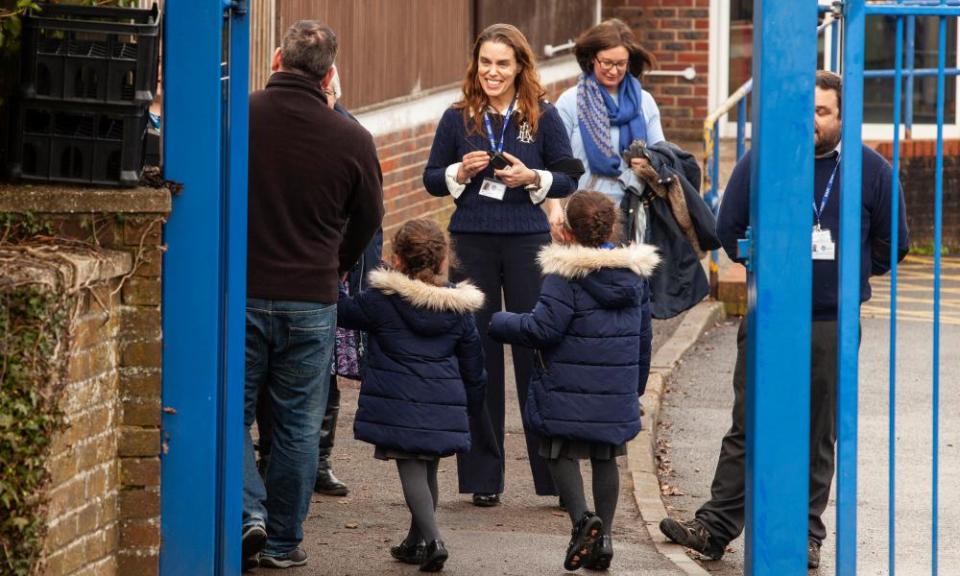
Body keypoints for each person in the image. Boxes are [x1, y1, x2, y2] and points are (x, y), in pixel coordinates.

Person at [658, 70, 909, 570]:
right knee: (748, 422)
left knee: (817, 432)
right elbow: (730, 229)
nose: (811, 121)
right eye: (804, 111)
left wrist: (845, 275)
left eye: (822, 112)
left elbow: (891, 244)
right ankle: (714, 527)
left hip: (830, 323)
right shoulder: (763, 163)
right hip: (769, 315)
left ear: (843, 117)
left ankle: (804, 535)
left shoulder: (872, 171)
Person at [422, 23, 584, 508]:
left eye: (502, 64)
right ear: (477, 66)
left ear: (520, 68)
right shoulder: (457, 118)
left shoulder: (543, 115)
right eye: (485, 63)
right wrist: (460, 171)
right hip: (472, 243)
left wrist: (533, 176)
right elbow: (432, 179)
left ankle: (554, 476)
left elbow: (570, 176)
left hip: (526, 244)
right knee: (478, 357)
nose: (492, 72)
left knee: (537, 353)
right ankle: (482, 477)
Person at [243, 21, 383, 570]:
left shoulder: (241, 117)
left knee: (235, 415)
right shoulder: (351, 138)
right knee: (300, 426)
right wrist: (335, 263)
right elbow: (368, 219)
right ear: (330, 74)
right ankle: (282, 542)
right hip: (312, 298)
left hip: (245, 292)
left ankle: (247, 514)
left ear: (276, 59)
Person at [488, 191, 658, 571]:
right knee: (606, 457)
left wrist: (500, 322)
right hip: (615, 386)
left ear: (566, 230)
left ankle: (583, 521)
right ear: (612, 226)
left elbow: (543, 329)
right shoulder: (634, 274)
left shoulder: (564, 275)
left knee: (559, 451)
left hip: (565, 385)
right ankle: (606, 538)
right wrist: (635, 385)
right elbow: (645, 336)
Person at [337, 219, 487, 573]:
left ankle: (434, 541)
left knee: (412, 470)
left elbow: (342, 313)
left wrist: (334, 274)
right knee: (429, 468)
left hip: (399, 402)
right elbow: (473, 363)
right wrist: (473, 405)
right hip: (442, 401)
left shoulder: (381, 301)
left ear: (396, 259)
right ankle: (414, 542)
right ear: (441, 259)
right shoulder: (458, 308)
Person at [548, 18, 665, 244]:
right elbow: (553, 162)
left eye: (621, 64)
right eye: (607, 63)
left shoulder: (645, 102)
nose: (614, 70)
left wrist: (649, 162)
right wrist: (555, 208)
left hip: (631, 212)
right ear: (592, 58)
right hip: (581, 215)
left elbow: (663, 155)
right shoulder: (570, 101)